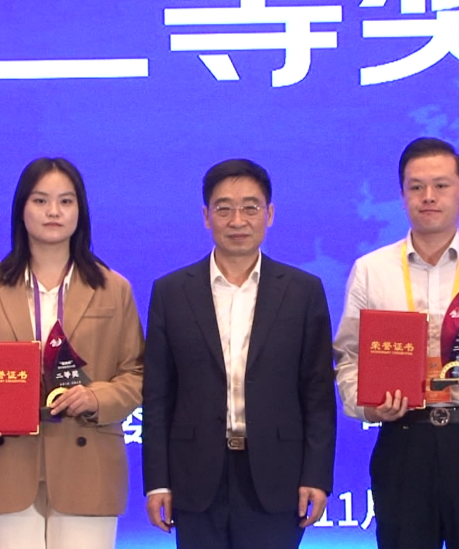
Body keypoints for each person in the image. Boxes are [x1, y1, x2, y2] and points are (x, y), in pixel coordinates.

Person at [333, 138, 459, 549]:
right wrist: (368, 405)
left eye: (441, 186)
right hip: (403, 441)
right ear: (402, 196)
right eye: (416, 187)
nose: (428, 196)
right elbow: (348, 358)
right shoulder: (371, 270)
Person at [0, 157, 144, 549]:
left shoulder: (113, 288)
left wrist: (96, 398)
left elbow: (137, 373)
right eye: (40, 201)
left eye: (66, 201)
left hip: (87, 464)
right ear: (21, 209)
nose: (53, 211)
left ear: (80, 211)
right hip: (5, 463)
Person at [142, 158, 336, 549]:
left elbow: (317, 394)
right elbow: (158, 395)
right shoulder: (171, 292)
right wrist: (158, 482)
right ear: (206, 216)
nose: (237, 220)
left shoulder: (303, 291)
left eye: (250, 207)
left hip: (277, 476)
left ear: (269, 214)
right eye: (224, 208)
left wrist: (316, 476)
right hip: (195, 477)